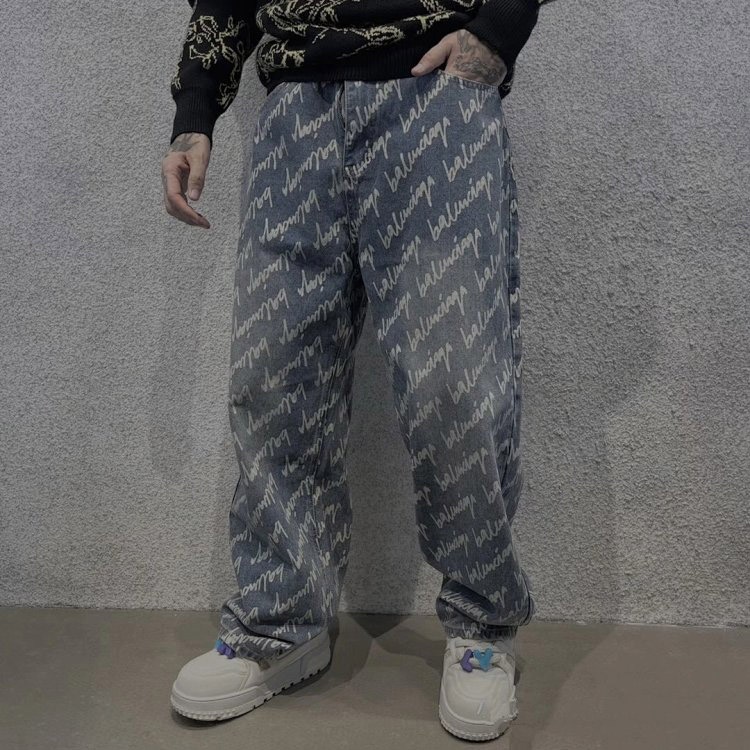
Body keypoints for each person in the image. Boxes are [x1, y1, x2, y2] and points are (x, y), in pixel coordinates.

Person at [161, 0, 553, 741]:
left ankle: (482, 625)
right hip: (294, 114)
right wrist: (195, 111)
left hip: (436, 98)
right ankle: (280, 622)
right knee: (273, 379)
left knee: (455, 384)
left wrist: (497, 32)